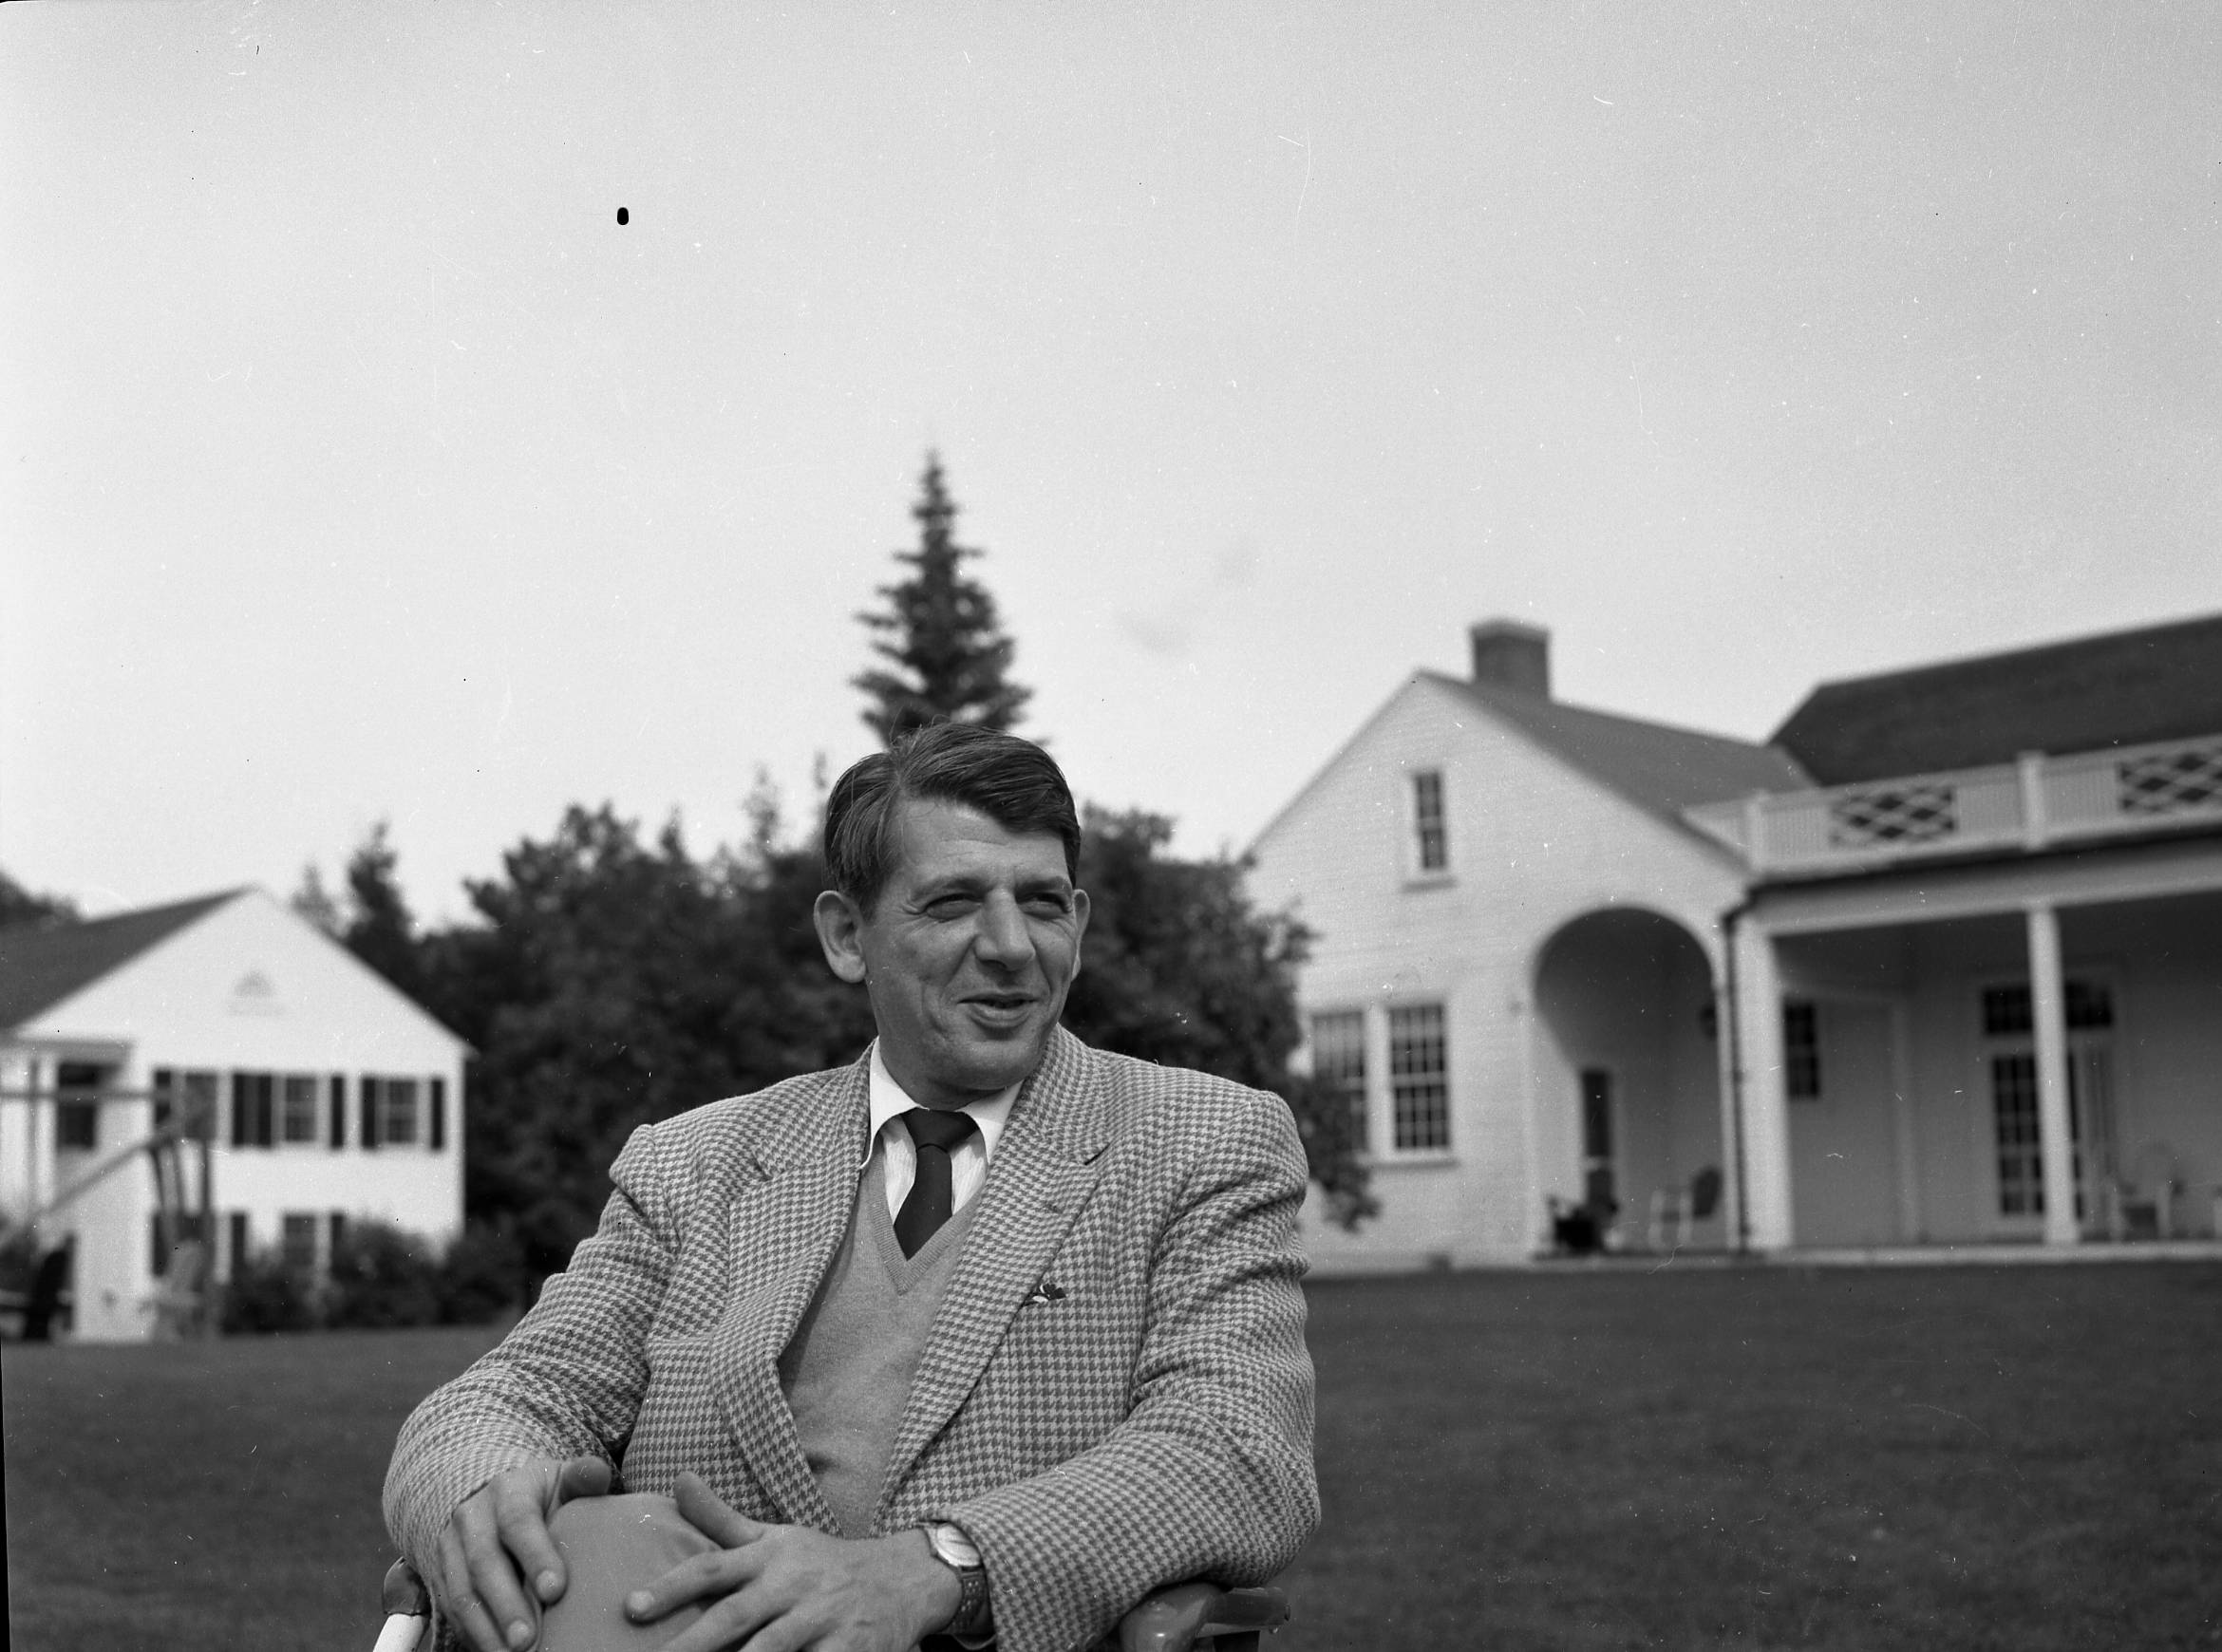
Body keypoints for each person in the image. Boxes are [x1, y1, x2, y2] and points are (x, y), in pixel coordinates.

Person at [384, 723, 1319, 1652]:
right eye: (953, 903)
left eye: (1041, 903)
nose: (1011, 946)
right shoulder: (693, 1164)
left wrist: (937, 1570)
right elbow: (514, 1394)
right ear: (846, 937)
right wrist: (481, 1492)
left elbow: (1238, 1450)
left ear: (1076, 921)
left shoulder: (1203, 1142)